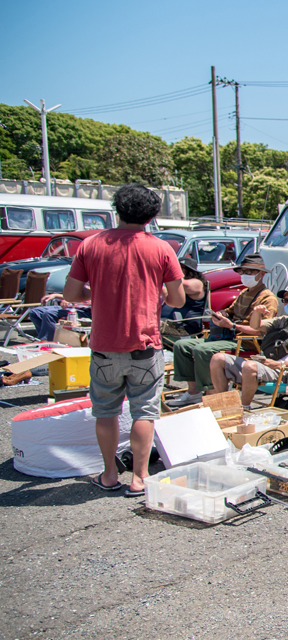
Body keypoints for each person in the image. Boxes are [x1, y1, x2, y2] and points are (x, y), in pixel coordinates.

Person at [62, 184, 185, 497]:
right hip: (145, 344)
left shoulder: (90, 245)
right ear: (152, 214)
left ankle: (109, 473)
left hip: (104, 344)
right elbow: (179, 300)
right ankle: (140, 478)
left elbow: (70, 295)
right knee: (144, 412)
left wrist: (97, 294)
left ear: (117, 210)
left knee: (105, 412)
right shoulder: (161, 248)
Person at [167, 253, 278, 406]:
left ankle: (211, 393)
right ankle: (193, 392)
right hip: (229, 337)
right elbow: (231, 311)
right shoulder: (244, 293)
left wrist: (232, 326)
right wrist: (221, 315)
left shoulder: (268, 298)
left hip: (246, 342)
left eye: (250, 272)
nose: (245, 275)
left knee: (203, 350)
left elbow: (262, 331)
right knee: (182, 346)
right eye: (243, 271)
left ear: (262, 274)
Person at [210, 283, 288, 407]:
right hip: (265, 365)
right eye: (285, 300)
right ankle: (222, 405)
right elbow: (256, 326)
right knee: (218, 358)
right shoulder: (282, 321)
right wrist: (257, 313)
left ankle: (244, 408)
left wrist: (280, 364)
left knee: (250, 366)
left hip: (286, 372)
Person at [159, 255, 208, 348]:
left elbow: (181, 285)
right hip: (172, 324)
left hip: (184, 327)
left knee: (150, 324)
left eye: (178, 267)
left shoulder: (197, 283)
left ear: (188, 269)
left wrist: (170, 274)